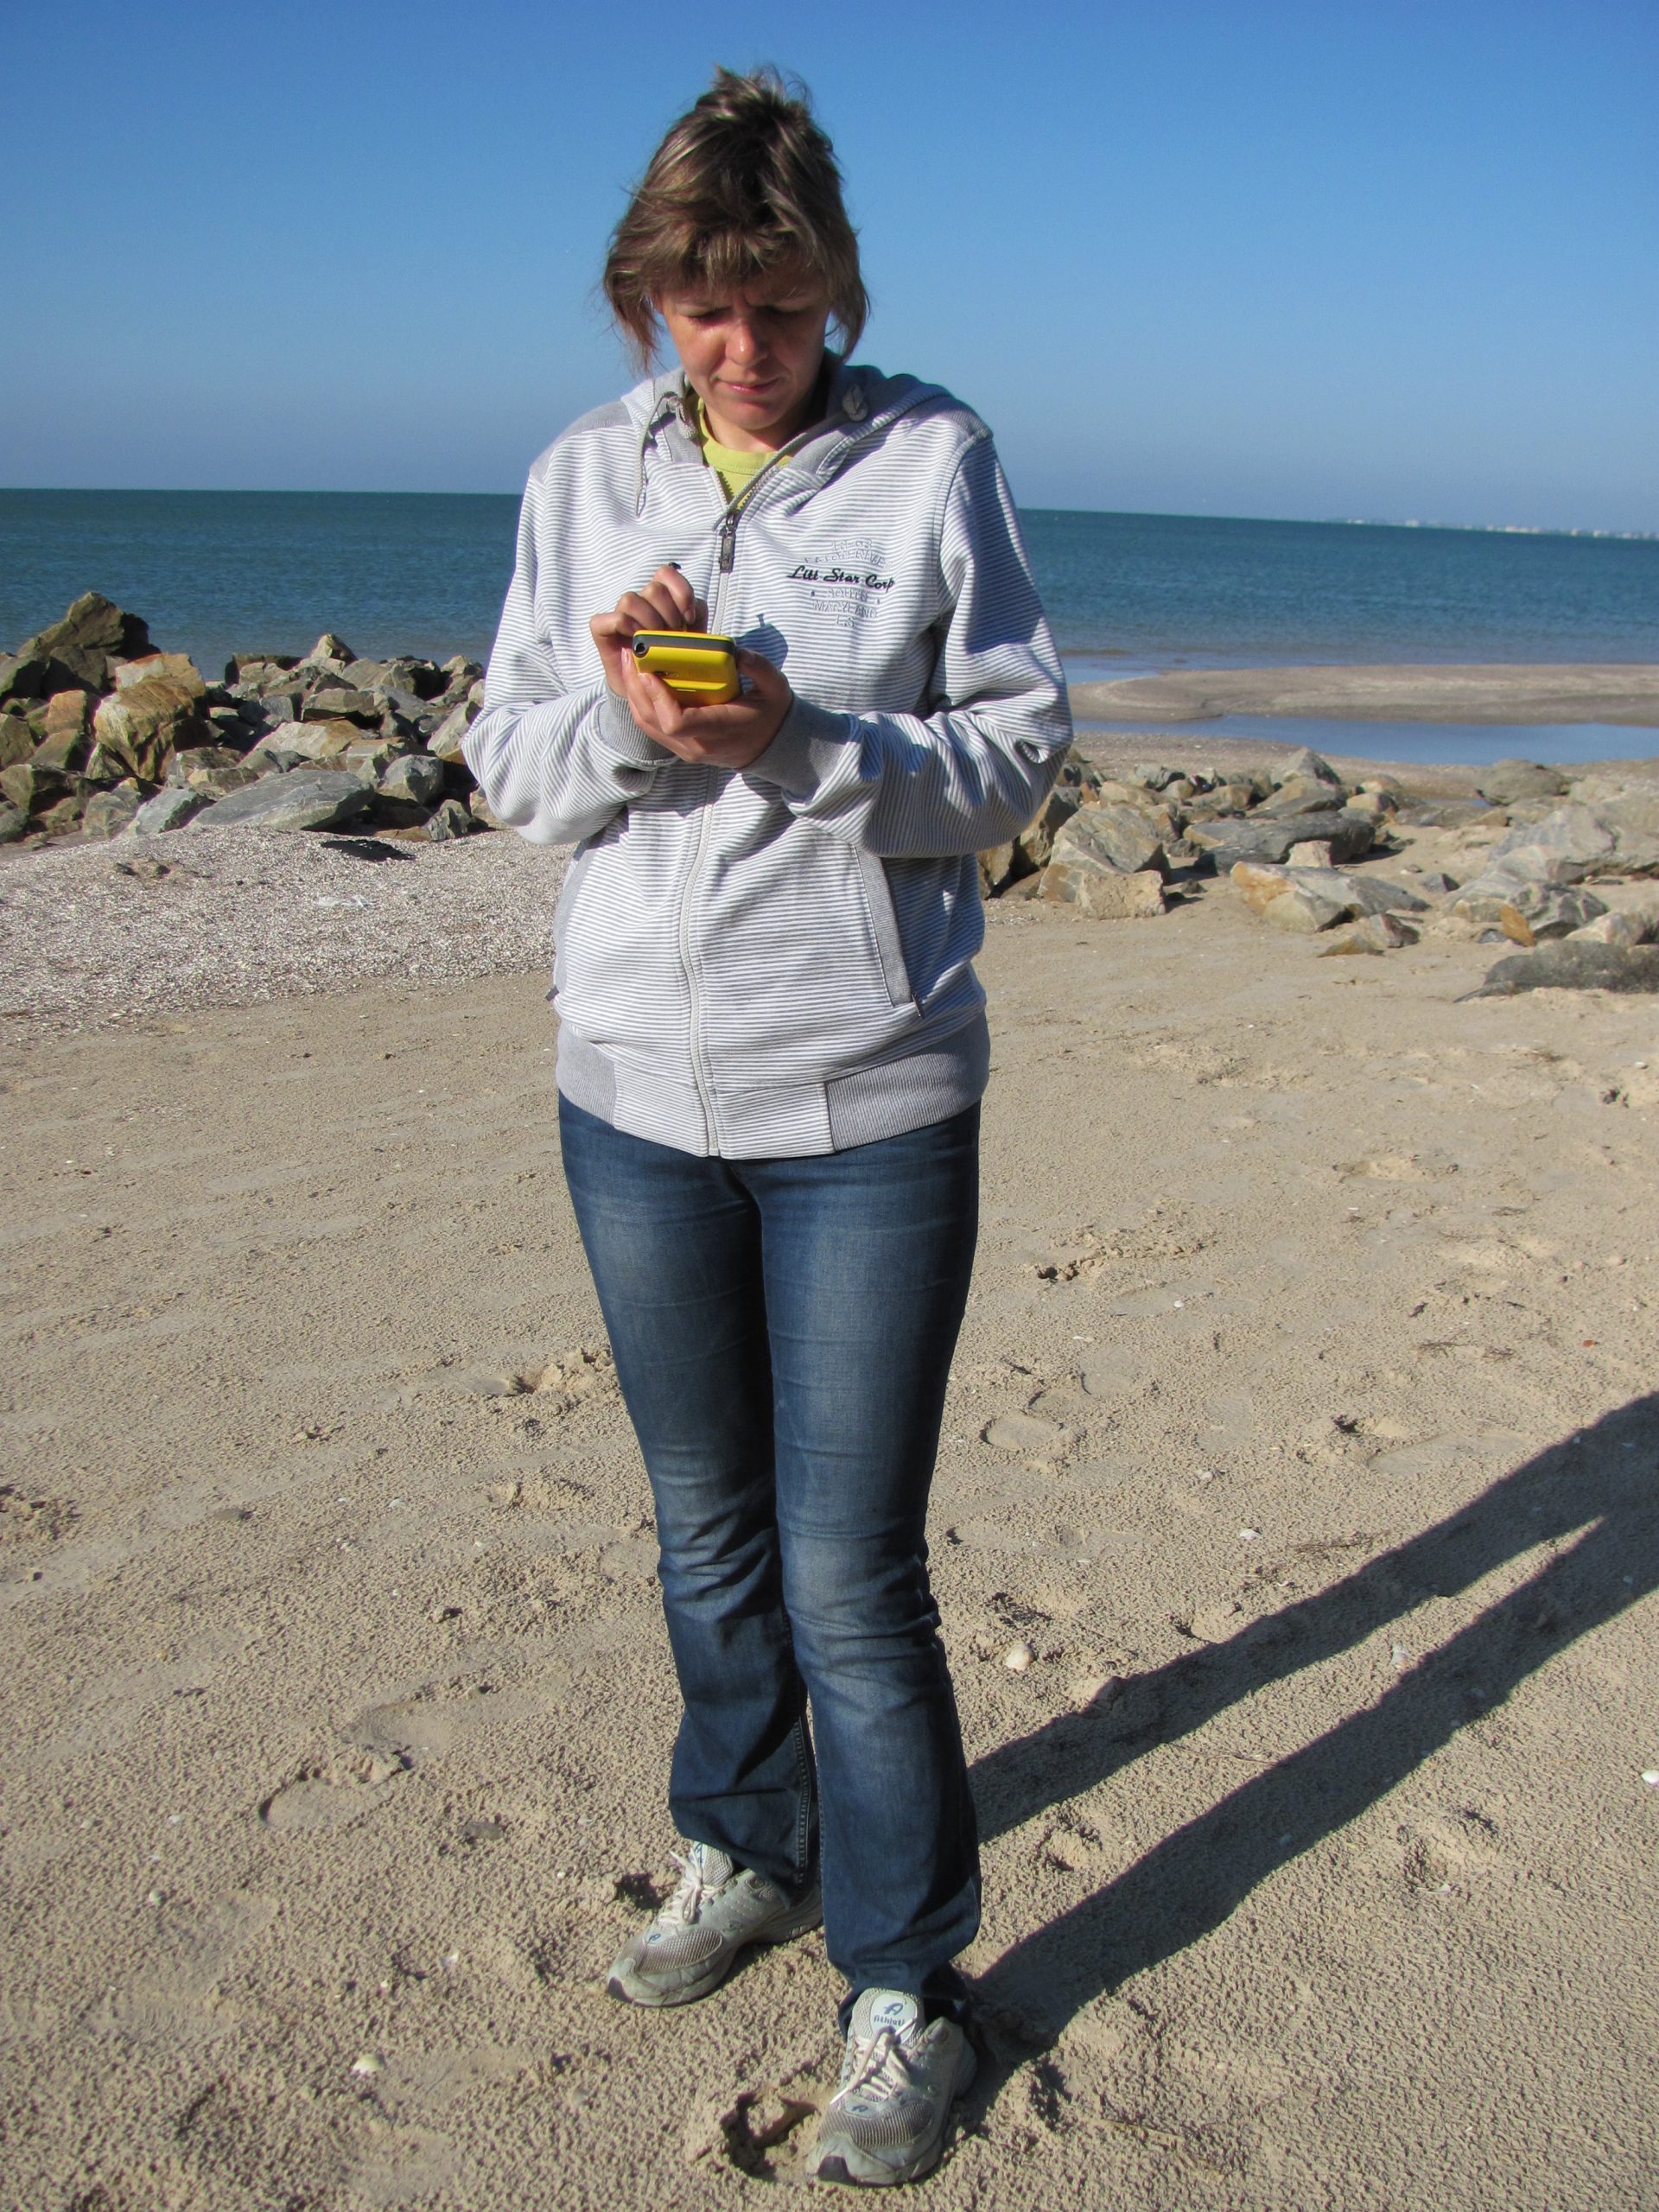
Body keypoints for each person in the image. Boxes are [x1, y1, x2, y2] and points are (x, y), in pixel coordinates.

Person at [465, 65, 1069, 2189]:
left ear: (841, 289)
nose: (746, 348)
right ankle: (744, 1840)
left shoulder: (933, 462)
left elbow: (1017, 756)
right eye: (706, 306)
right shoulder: (581, 477)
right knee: (703, 1525)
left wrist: (797, 732)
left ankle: (905, 1978)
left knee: (850, 1571)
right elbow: (509, 760)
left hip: (871, 1093)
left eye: (785, 306)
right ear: (647, 296)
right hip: (629, 1090)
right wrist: (637, 728)